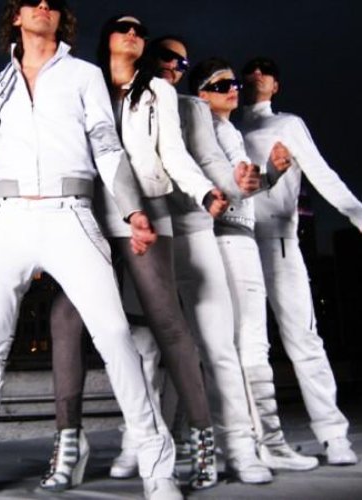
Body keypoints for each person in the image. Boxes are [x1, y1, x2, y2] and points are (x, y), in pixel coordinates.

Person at [0, 2, 183, 500]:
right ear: (17, 16)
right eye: (33, 0)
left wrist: (133, 209)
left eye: (53, 2)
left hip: (70, 215)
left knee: (114, 335)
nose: (44, 6)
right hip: (6, 219)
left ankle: (158, 470)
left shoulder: (84, 76)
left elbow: (106, 146)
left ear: (61, 19)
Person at [47, 15, 227, 492]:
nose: (133, 34)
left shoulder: (157, 91)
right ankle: (69, 442)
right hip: (91, 216)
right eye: (122, 27)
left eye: (140, 31)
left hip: (149, 210)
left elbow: (174, 154)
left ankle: (202, 441)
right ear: (106, 38)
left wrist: (204, 191)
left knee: (167, 322)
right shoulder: (84, 84)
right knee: (64, 318)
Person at [110, 35, 274, 485]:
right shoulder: (119, 101)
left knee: (218, 346)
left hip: (195, 231)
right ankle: (137, 443)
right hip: (145, 234)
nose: (174, 66)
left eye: (182, 62)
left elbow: (211, 162)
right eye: (167, 56)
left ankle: (238, 448)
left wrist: (238, 184)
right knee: (144, 350)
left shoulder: (194, 109)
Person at [189, 56, 320, 472]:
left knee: (240, 344)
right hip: (229, 238)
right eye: (220, 85)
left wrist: (273, 175)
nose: (233, 89)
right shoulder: (208, 128)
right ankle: (260, 443)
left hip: (237, 236)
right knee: (245, 343)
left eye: (234, 83)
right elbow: (224, 184)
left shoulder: (224, 130)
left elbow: (245, 185)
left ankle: (253, 441)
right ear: (201, 95)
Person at [240, 56, 361, 465]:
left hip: (279, 243)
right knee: (249, 346)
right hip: (237, 246)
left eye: (266, 71)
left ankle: (333, 434)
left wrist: (356, 213)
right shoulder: (227, 127)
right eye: (251, 71)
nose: (257, 75)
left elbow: (320, 172)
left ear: (276, 85)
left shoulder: (287, 124)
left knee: (304, 340)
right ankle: (261, 439)